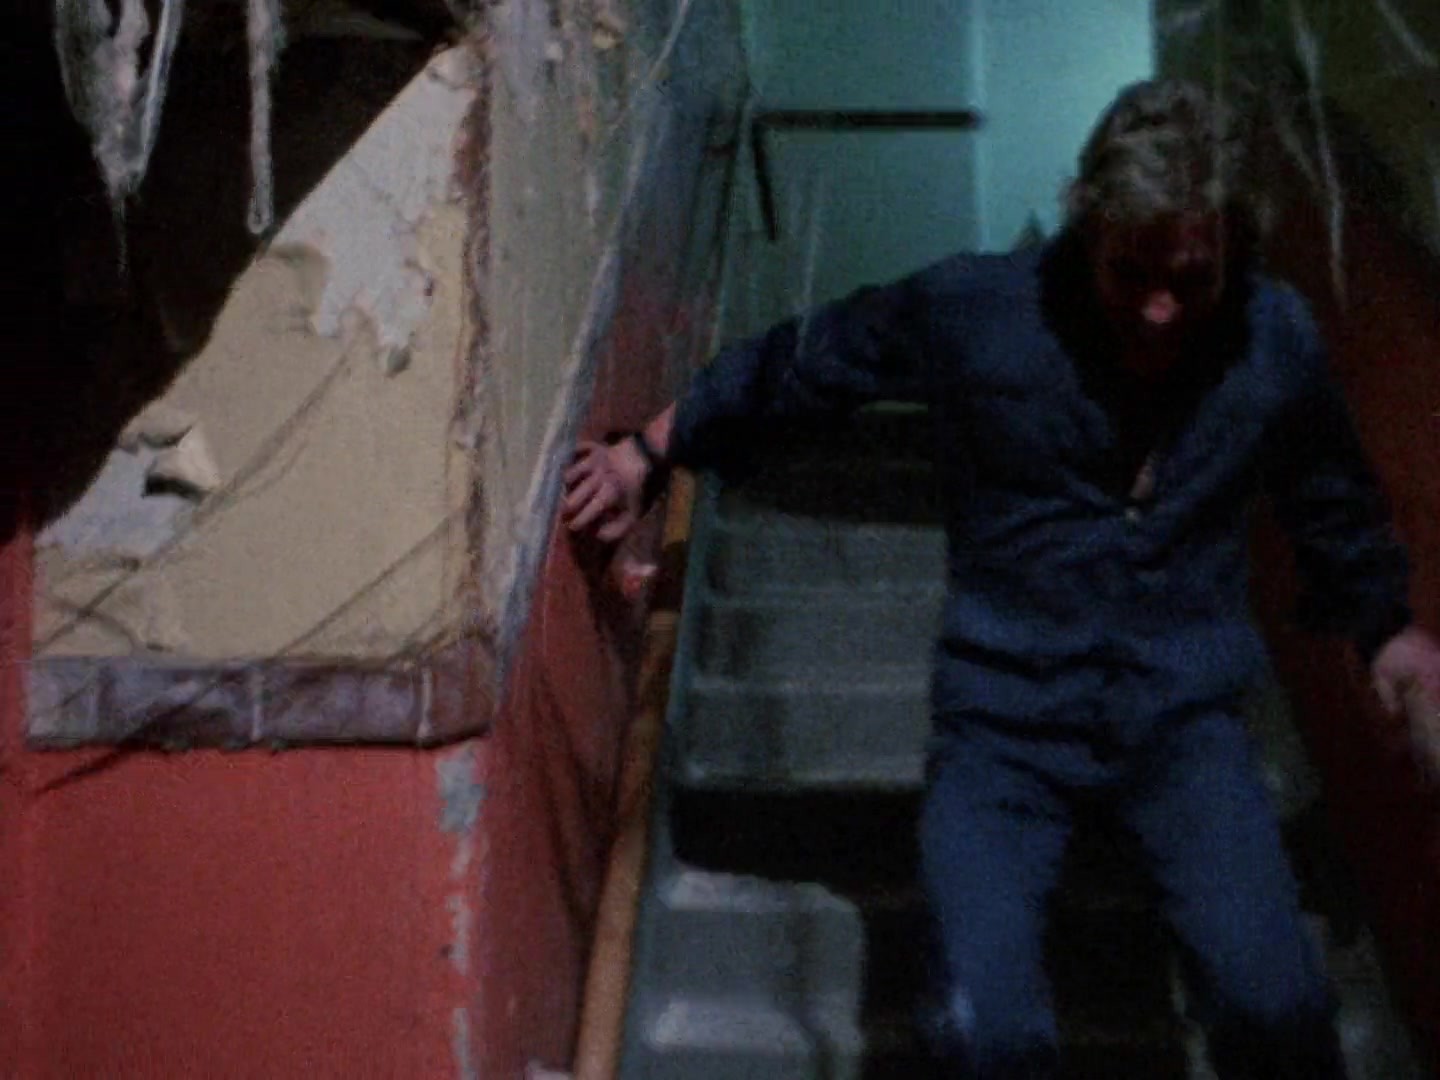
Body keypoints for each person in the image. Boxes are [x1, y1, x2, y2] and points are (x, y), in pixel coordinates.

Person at [561, 78, 1440, 1077]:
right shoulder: (980, 311)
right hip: (1004, 725)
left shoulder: (1271, 338)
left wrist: (1386, 634)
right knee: (978, 1024)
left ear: (1234, 251)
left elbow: (1332, 499)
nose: (1159, 312)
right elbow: (810, 364)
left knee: (1278, 1008)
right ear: (1085, 220)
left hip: (1183, 723)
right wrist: (647, 453)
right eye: (1131, 274)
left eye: (1191, 282)